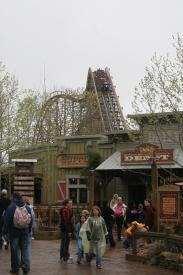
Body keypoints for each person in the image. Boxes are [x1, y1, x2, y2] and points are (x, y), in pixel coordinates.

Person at [3, 192, 33, 275]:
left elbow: (7, 221)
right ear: (21, 198)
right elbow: (30, 220)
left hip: (14, 232)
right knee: (25, 249)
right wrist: (29, 229)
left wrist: (5, 231)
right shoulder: (27, 207)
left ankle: (15, 268)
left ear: (14, 198)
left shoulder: (11, 207)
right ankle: (26, 267)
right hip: (25, 232)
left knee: (15, 251)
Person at [59, 199, 74, 263]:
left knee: (65, 243)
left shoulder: (68, 210)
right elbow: (66, 221)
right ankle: (64, 257)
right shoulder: (64, 210)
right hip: (65, 229)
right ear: (66, 204)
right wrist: (69, 231)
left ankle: (65, 256)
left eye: (71, 203)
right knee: (65, 243)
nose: (71, 204)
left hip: (67, 228)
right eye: (70, 203)